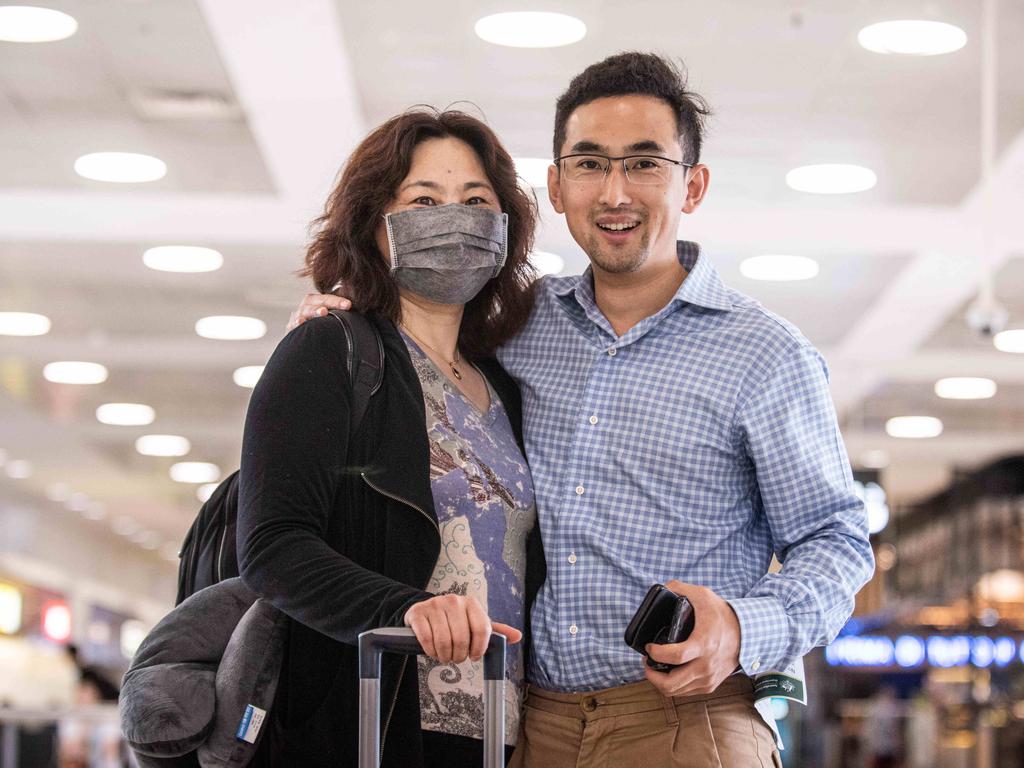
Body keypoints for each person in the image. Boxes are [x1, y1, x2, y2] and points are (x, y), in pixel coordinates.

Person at [291, 52, 875, 767]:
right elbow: (420, 342)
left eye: (645, 164)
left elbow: (837, 541)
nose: (615, 192)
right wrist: (338, 324)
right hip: (531, 724)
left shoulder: (766, 354)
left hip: (685, 723)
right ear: (557, 185)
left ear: (693, 185)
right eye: (591, 164)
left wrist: (742, 627)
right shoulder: (516, 326)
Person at [239, 107, 545, 768]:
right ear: (375, 222)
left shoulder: (506, 388)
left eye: (476, 200)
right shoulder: (330, 351)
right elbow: (272, 545)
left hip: (500, 734)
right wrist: (404, 609)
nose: (454, 216)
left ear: (504, 227)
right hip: (373, 727)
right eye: (424, 199)